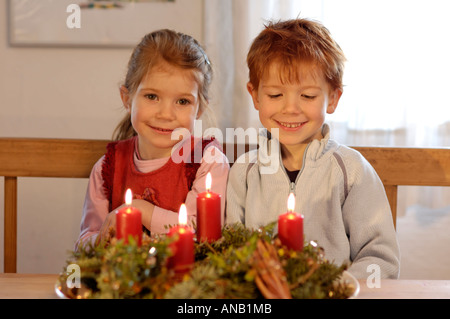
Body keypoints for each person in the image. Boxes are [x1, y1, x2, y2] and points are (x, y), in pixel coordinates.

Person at [226, 19, 400, 279]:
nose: (291, 109)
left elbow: (380, 259)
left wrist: (334, 289)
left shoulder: (351, 171)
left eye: (307, 96)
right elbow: (230, 253)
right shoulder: (244, 172)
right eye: (275, 95)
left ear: (333, 99)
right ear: (255, 96)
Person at [77, 29, 229, 248]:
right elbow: (85, 239)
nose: (166, 114)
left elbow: (203, 233)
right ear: (127, 99)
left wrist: (142, 211)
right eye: (152, 96)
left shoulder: (208, 161)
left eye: (183, 101)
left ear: (199, 109)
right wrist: (102, 240)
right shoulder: (107, 168)